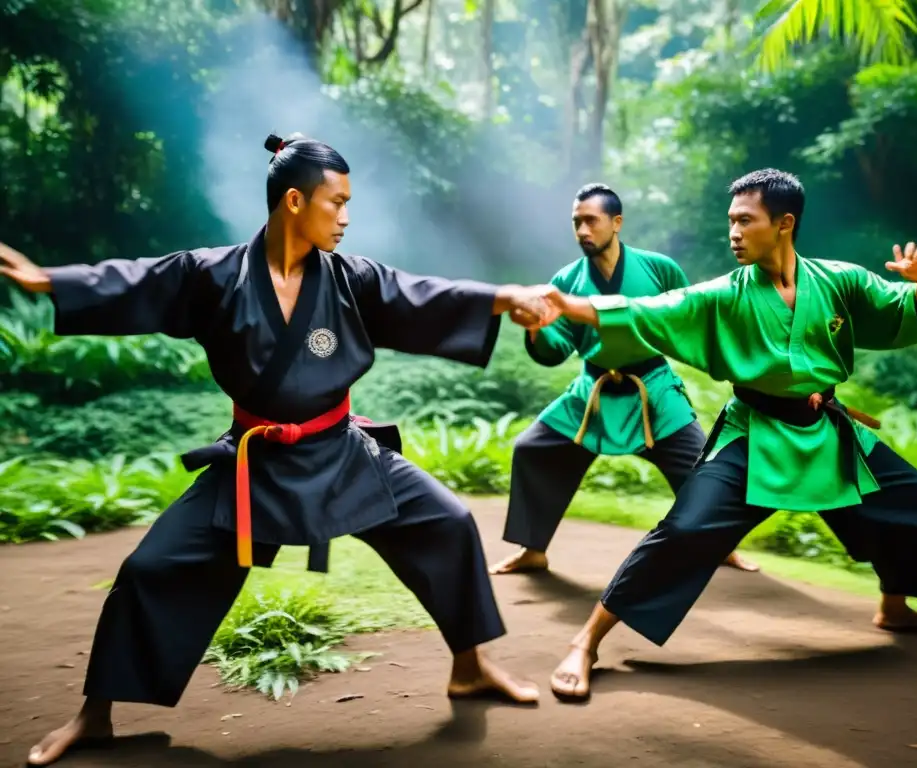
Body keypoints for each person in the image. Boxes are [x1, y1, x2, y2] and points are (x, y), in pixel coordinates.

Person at [2, 132, 553, 766]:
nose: (345, 218)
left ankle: (469, 667)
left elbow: (423, 295)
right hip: (253, 464)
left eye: (349, 204)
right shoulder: (211, 276)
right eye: (335, 203)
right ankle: (94, 715)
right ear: (294, 201)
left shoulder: (351, 279)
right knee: (151, 569)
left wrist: (504, 297)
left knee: (447, 523)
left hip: (342, 453)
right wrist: (47, 282)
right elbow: (136, 282)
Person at [533, 168, 917, 702]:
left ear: (785, 223)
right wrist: (566, 306)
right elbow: (647, 310)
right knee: (685, 530)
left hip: (826, 430)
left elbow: (903, 308)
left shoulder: (839, 280)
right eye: (731, 221)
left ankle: (895, 609)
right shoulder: (726, 293)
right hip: (755, 433)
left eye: (746, 220)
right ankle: (586, 641)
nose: (734, 232)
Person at [489, 183, 757, 575]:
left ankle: (722, 547)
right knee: (532, 449)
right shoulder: (566, 280)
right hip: (591, 393)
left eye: (591, 221)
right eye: (576, 222)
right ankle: (534, 550)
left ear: (616, 223)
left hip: (652, 390)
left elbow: (686, 319)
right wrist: (535, 328)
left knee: (703, 468)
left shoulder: (659, 268)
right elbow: (557, 345)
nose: (583, 231)